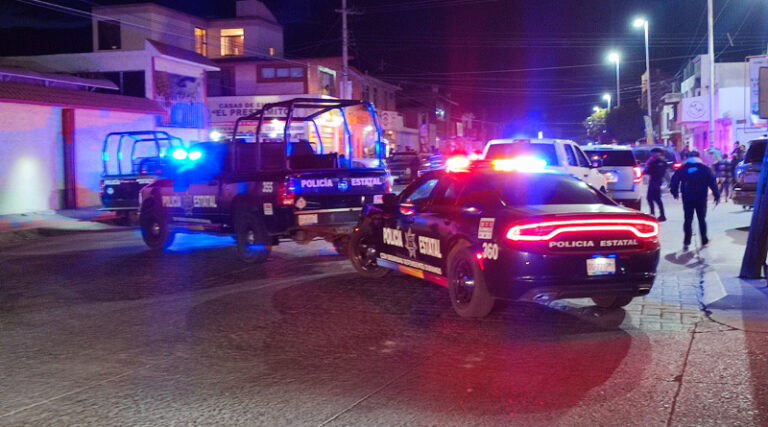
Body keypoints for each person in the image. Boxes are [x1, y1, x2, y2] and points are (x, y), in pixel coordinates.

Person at [669, 151, 720, 251]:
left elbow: (674, 181)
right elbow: (712, 183)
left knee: (688, 219)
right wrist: (716, 195)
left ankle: (686, 242)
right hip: (701, 197)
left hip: (687, 197)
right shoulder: (705, 169)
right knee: (701, 219)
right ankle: (704, 240)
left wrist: (674, 192)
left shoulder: (683, 168)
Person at [645, 147, 668, 221]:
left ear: (659, 153)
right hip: (654, 181)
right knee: (652, 198)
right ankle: (655, 214)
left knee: (655, 198)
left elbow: (650, 171)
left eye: (653, 152)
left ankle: (658, 215)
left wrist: (649, 163)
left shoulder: (659, 162)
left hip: (655, 181)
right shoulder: (655, 161)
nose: (652, 154)